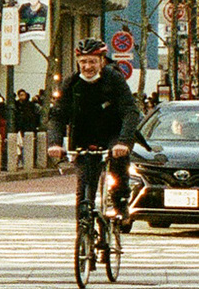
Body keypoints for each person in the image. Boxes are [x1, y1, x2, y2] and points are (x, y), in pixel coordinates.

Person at [46, 37, 141, 224]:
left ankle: (120, 204)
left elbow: (130, 111)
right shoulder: (71, 83)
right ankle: (83, 231)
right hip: (84, 135)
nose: (87, 67)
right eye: (83, 62)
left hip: (113, 133)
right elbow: (57, 116)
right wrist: (55, 143)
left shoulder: (114, 79)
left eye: (92, 61)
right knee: (84, 185)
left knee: (118, 163)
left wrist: (123, 141)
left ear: (102, 61)